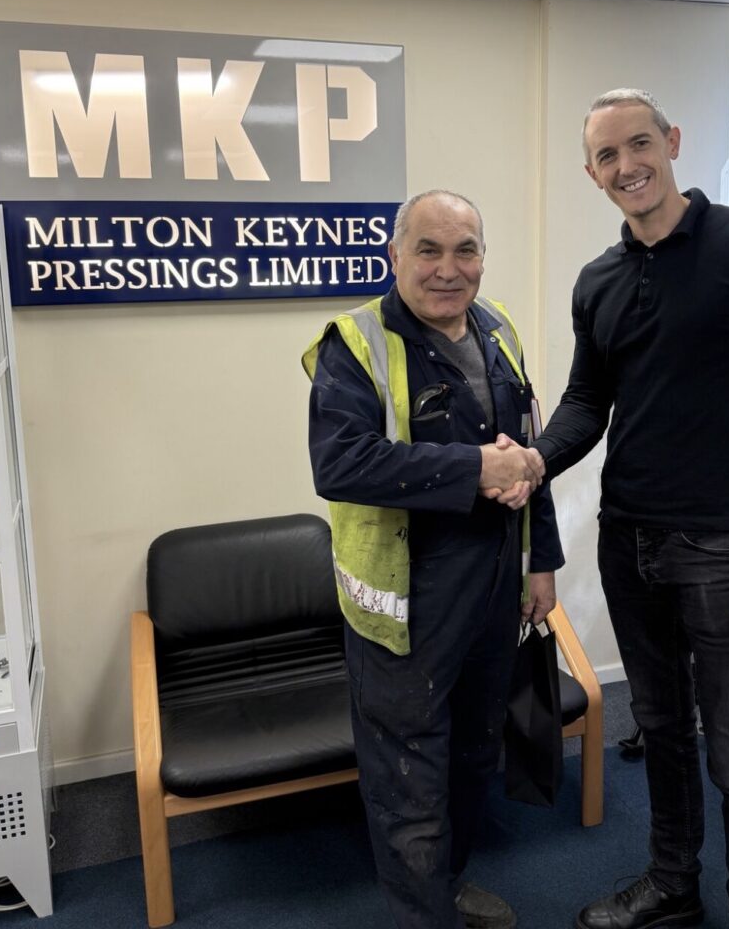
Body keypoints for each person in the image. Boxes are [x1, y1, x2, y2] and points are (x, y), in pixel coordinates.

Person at [510, 89, 729, 929]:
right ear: (592, 174)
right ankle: (673, 884)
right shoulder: (599, 281)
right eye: (608, 156)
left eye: (640, 144)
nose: (628, 165)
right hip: (629, 542)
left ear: (673, 141)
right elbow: (588, 402)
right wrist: (535, 460)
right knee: (657, 728)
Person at [303, 189, 564, 929]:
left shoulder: (498, 328)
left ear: (482, 257)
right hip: (406, 598)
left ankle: (445, 887)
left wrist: (541, 560)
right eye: (429, 250)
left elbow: (527, 453)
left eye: (465, 250)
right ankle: (423, 916)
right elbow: (340, 463)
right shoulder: (354, 343)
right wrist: (474, 469)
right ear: (395, 256)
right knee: (409, 778)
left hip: (493, 584)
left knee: (475, 753)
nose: (449, 269)